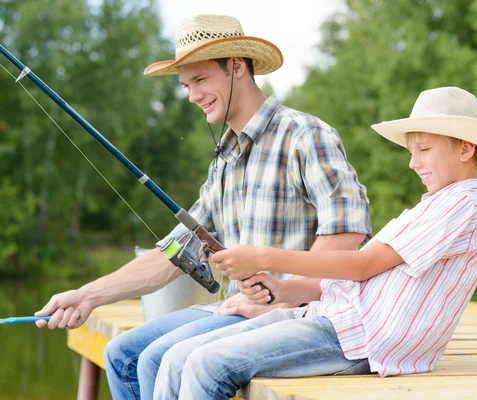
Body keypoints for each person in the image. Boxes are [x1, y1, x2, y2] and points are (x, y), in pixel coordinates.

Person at [34, 14, 371, 400]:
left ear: (237, 67)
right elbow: (173, 254)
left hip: (301, 313)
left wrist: (285, 293)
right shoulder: (224, 159)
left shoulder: (304, 135)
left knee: (155, 359)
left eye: (200, 80)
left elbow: (348, 232)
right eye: (185, 84)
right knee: (121, 353)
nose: (192, 95)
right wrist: (88, 295)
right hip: (235, 307)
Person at [150, 86, 477, 400]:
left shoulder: (464, 206)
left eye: (423, 150)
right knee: (177, 357)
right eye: (411, 152)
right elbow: (362, 280)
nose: (413, 163)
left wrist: (261, 256)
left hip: (360, 338)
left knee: (206, 364)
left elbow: (361, 265)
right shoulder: (435, 206)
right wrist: (281, 288)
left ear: (466, 149)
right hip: (336, 319)